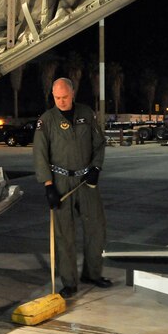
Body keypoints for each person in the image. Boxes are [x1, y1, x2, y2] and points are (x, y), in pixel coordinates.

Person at [33, 77, 111, 299]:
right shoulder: (46, 121)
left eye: (65, 97)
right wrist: (48, 186)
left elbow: (99, 143)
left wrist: (96, 167)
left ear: (73, 93)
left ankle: (92, 274)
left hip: (86, 182)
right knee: (64, 234)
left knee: (96, 228)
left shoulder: (86, 114)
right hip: (61, 182)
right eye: (57, 97)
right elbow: (39, 154)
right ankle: (69, 281)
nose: (61, 101)